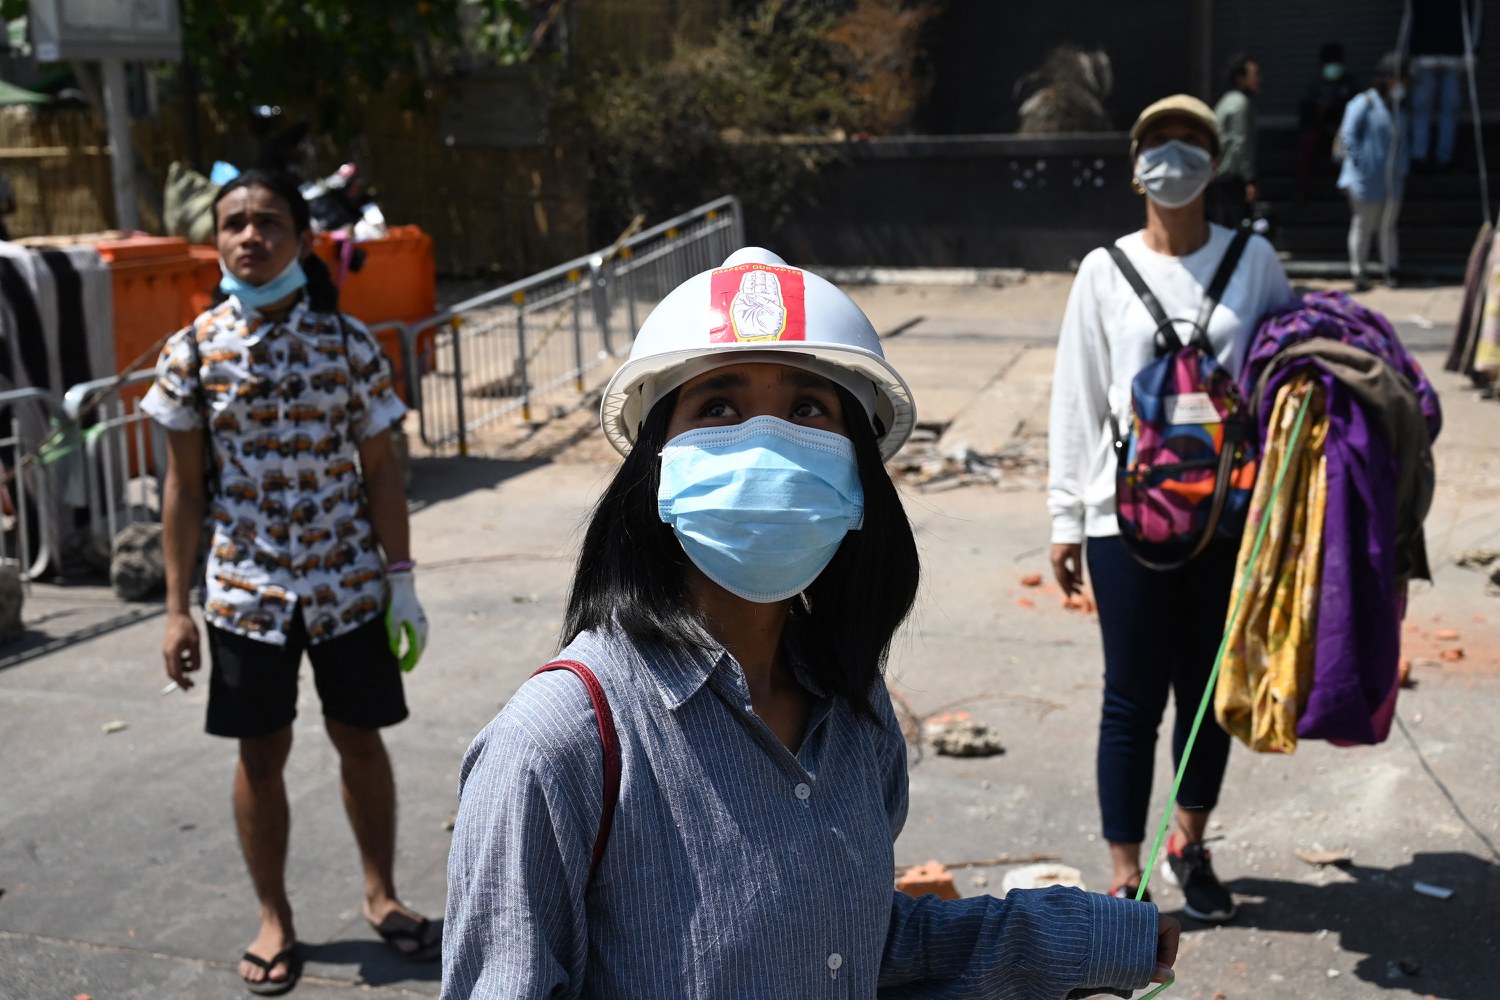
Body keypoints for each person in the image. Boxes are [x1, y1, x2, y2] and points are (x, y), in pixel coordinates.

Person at [444, 246, 1180, 997]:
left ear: (856, 474)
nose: (765, 443)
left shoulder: (856, 715)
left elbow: (852, 944)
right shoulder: (553, 746)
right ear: (657, 466)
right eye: (719, 407)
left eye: (807, 410)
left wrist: (1083, 937)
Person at [143, 168, 435, 995]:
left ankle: (382, 894)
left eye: (269, 222)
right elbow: (184, 489)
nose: (250, 236)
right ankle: (274, 917)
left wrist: (402, 578)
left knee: (359, 738)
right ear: (217, 241)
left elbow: (381, 471)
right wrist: (175, 610)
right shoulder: (194, 351)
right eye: (234, 222)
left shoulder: (348, 346)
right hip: (246, 592)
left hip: (346, 586)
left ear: (302, 242)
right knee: (259, 752)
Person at [1048, 96, 1293, 923]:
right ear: (1135, 165)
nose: (1175, 157)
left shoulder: (1253, 260)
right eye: (1159, 143)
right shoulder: (1101, 270)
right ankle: (1126, 870)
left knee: (1208, 690)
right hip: (1126, 519)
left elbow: (1285, 375)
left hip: (1228, 515)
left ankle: (1188, 839)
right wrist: (1064, 518)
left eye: (1192, 143)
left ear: (1214, 163)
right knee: (1132, 695)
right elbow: (1076, 400)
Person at [1337, 52, 1412, 292]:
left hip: (1392, 181)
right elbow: (1347, 135)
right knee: (1363, 225)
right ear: (1390, 80)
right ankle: (1359, 272)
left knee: (1388, 226)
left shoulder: (1398, 107)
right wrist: (1362, 165)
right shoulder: (1364, 103)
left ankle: (1391, 268)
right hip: (1364, 181)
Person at [1408, 0, 1479, 173]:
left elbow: (1477, 15)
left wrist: (1474, 51)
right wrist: (1410, 54)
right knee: (1421, 107)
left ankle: (1444, 156)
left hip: (1455, 57)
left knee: (1450, 108)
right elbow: (1410, 18)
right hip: (1424, 57)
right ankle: (1420, 155)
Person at [1295, 43, 1359, 202]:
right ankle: (1301, 190)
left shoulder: (1349, 84)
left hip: (1342, 131)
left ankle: (1351, 189)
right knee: (1308, 142)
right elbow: (1305, 114)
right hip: (1318, 130)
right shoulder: (1314, 86)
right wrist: (1320, 109)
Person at [1210, 54, 1260, 229]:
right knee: (1236, 225)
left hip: (1221, 173)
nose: (1258, 80)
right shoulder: (1241, 104)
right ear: (1240, 78)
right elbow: (1241, 144)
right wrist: (1250, 180)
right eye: (1254, 75)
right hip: (1234, 176)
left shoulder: (1226, 101)